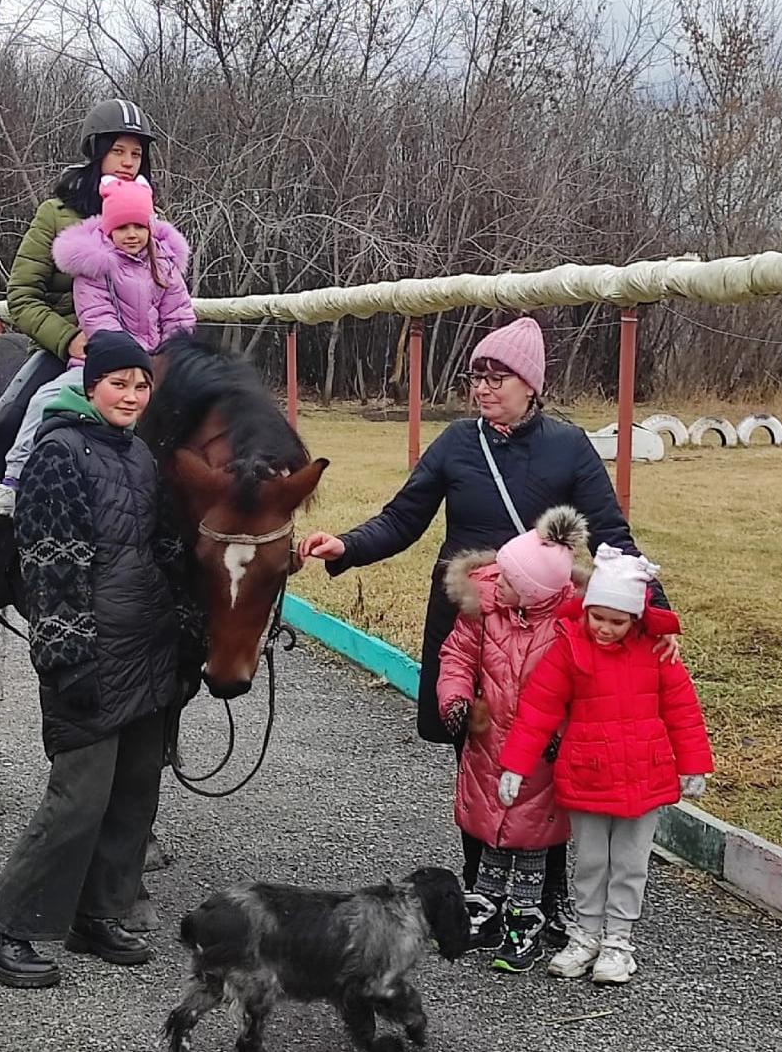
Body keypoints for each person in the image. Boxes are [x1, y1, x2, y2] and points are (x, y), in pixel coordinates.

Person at [299, 316, 679, 943]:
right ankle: (482, 890)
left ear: (530, 383)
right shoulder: (455, 443)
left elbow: (612, 535)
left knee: (549, 755)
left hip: (550, 635)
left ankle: (549, 893)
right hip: (470, 627)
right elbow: (403, 518)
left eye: (496, 375)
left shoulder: (568, 446)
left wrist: (656, 615)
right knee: (476, 753)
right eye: (477, 375)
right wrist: (347, 546)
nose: (483, 386)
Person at [0, 331, 187, 988]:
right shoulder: (58, 454)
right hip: (89, 656)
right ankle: (1, 935)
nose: (131, 394)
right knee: (77, 800)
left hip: (145, 651)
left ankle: (100, 912)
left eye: (140, 384)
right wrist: (66, 659)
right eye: (118, 383)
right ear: (90, 387)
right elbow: (48, 568)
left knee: (134, 790)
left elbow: (158, 551)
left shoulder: (139, 456)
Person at [499, 545, 713, 985]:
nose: (605, 629)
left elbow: (682, 710)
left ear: (636, 618)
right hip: (588, 773)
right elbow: (538, 710)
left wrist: (694, 765)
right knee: (591, 862)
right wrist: (515, 766)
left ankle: (619, 941)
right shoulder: (568, 649)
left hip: (644, 775)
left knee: (631, 864)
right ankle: (585, 935)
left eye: (618, 622)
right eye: (598, 617)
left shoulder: (658, 652)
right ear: (588, 609)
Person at [0, 98, 159, 521]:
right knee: (6, 415)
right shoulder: (55, 215)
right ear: (96, 153)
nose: (128, 162)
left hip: (137, 347)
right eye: (118, 151)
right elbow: (21, 295)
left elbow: (164, 286)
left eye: (136, 154)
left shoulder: (148, 220)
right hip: (73, 347)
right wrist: (70, 337)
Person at [436, 507, 588, 973]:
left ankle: (527, 916)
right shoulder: (486, 610)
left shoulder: (570, 624)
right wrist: (456, 701)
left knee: (531, 841)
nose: (495, 581)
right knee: (490, 830)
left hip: (542, 756)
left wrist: (563, 736)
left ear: (533, 590)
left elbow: (587, 686)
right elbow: (457, 655)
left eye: (507, 578)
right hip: (488, 743)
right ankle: (485, 908)